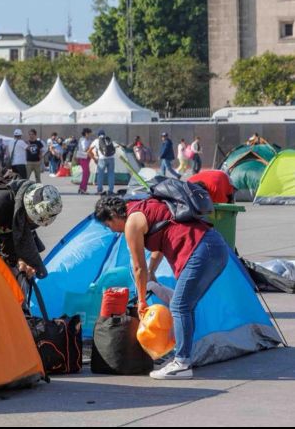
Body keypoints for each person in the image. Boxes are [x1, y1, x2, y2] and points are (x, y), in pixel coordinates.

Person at [94, 195, 229, 381]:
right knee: (185, 306)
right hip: (216, 247)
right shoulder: (145, 205)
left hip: (198, 250)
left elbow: (138, 267)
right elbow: (161, 241)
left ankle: (182, 363)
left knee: (180, 306)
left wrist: (141, 300)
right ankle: (185, 356)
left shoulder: (131, 223)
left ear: (113, 216)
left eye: (109, 226)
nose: (113, 231)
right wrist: (152, 271)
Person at [0, 181, 62, 282]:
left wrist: (21, 261)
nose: (32, 223)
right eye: (32, 219)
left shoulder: (26, 216)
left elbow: (16, 239)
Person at [90, 130, 116, 196]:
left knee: (100, 175)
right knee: (111, 174)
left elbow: (89, 150)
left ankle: (99, 190)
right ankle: (110, 190)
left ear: (98, 135)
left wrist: (94, 158)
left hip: (102, 159)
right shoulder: (108, 139)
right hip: (111, 158)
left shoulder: (96, 141)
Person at [76, 128, 93, 195]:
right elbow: (84, 149)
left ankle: (82, 188)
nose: (90, 135)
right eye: (89, 133)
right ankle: (83, 189)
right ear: (86, 133)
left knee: (87, 173)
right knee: (86, 173)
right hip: (83, 157)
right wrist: (90, 147)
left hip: (86, 157)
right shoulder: (83, 140)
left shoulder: (87, 140)